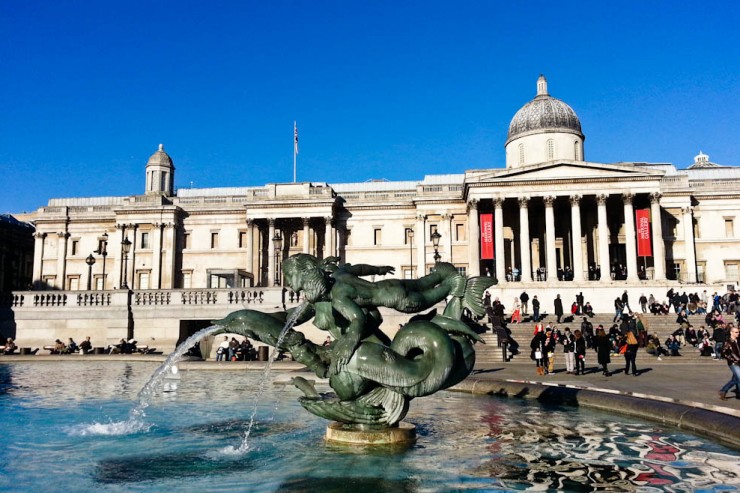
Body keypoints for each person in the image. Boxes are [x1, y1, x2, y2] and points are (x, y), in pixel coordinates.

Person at [719, 326, 740, 400]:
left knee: (735, 379)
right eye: (736, 332)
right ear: (731, 332)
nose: (738, 333)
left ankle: (723, 391)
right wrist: (733, 359)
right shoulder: (728, 342)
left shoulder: (738, 341)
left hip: (739, 362)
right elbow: (723, 353)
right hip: (734, 363)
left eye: (738, 332)